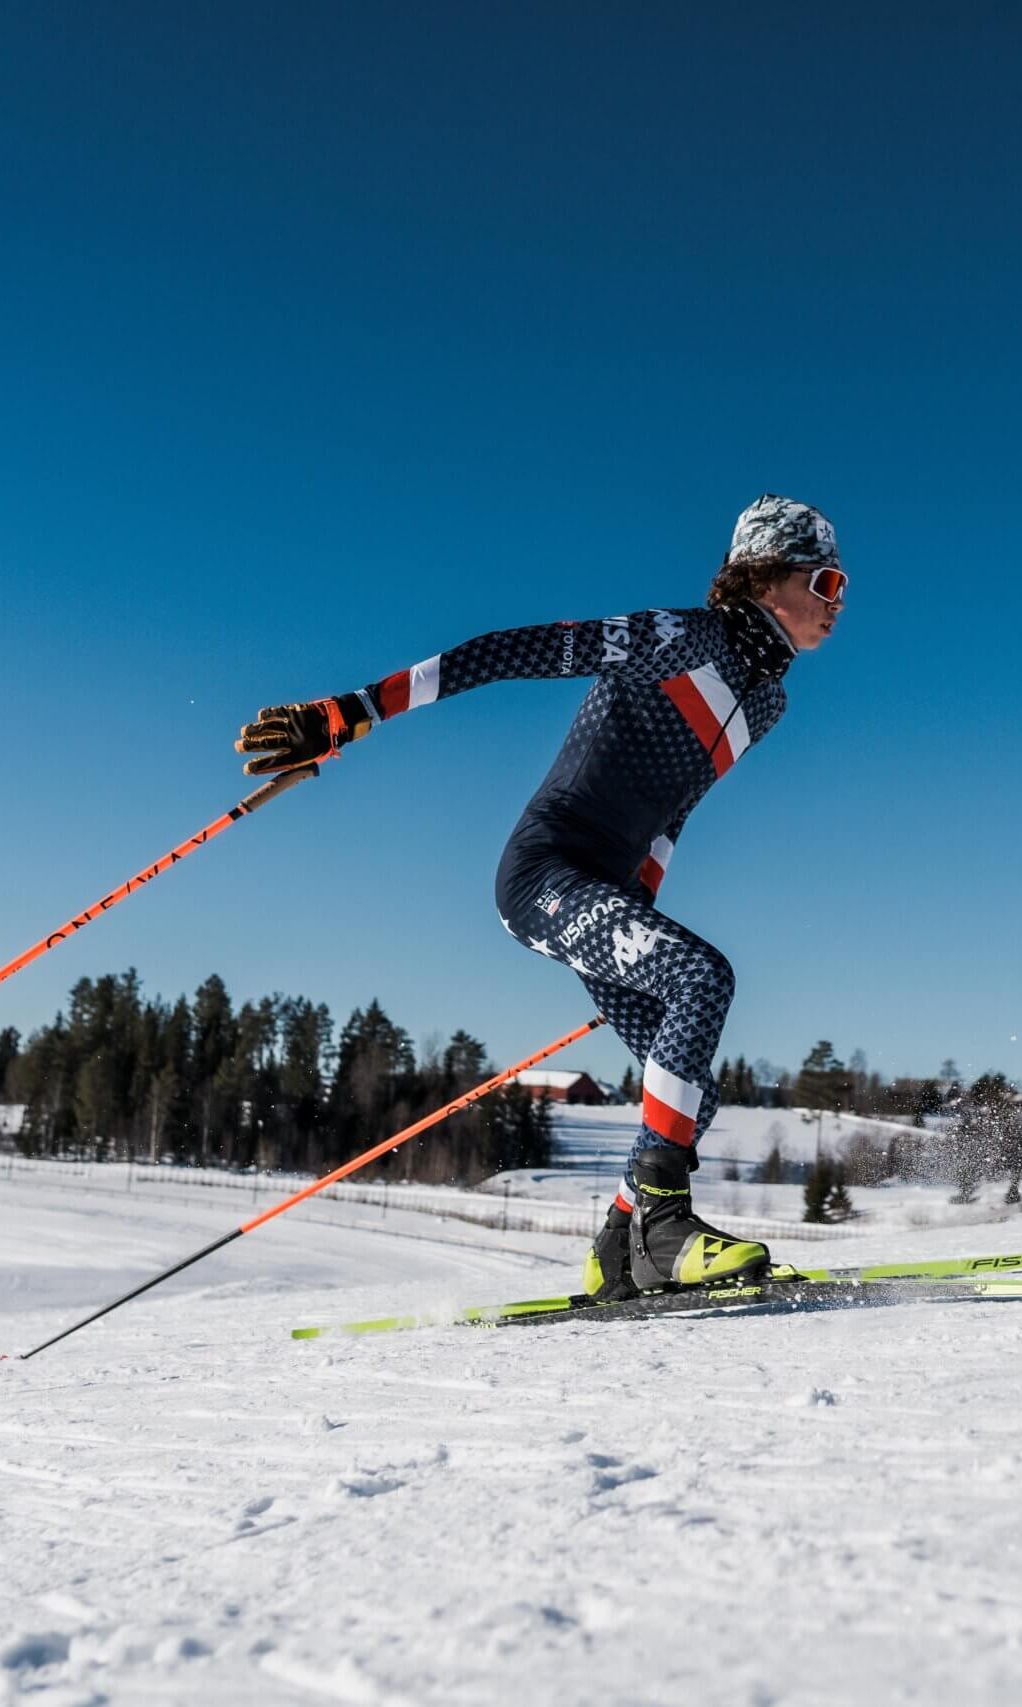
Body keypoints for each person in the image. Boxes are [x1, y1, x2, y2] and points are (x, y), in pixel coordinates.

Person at [235, 495, 845, 1299]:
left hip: (609, 895)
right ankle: (663, 1224)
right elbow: (513, 650)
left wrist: (639, 916)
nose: (839, 600)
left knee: (689, 1097)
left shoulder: (766, 701)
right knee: (703, 977)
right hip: (543, 874)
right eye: (826, 581)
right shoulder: (680, 636)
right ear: (767, 579)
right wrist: (357, 708)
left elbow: (676, 807)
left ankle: (617, 1249)